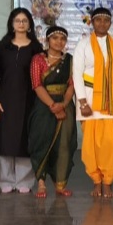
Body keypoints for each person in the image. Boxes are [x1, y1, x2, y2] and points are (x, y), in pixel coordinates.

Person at [73, 7, 113, 198]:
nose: (102, 24)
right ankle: (96, 182)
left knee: (111, 145)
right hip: (89, 100)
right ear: (92, 22)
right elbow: (77, 75)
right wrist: (82, 102)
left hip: (111, 101)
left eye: (106, 20)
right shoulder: (83, 45)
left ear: (110, 23)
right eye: (98, 20)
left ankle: (108, 182)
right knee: (92, 147)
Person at [0, 8, 43, 194]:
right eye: (17, 20)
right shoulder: (2, 47)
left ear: (29, 24)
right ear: (11, 24)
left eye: (24, 21)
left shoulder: (36, 48)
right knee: (5, 140)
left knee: (24, 140)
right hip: (4, 99)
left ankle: (24, 181)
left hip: (29, 99)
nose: (21, 24)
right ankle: (5, 180)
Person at [28, 26, 76, 198]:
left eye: (62, 39)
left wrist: (63, 104)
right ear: (47, 40)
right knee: (42, 142)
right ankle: (41, 183)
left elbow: (72, 85)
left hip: (65, 105)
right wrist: (53, 105)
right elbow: (37, 85)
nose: (59, 42)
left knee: (64, 144)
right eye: (55, 38)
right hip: (44, 105)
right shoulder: (38, 59)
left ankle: (60, 184)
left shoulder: (69, 60)